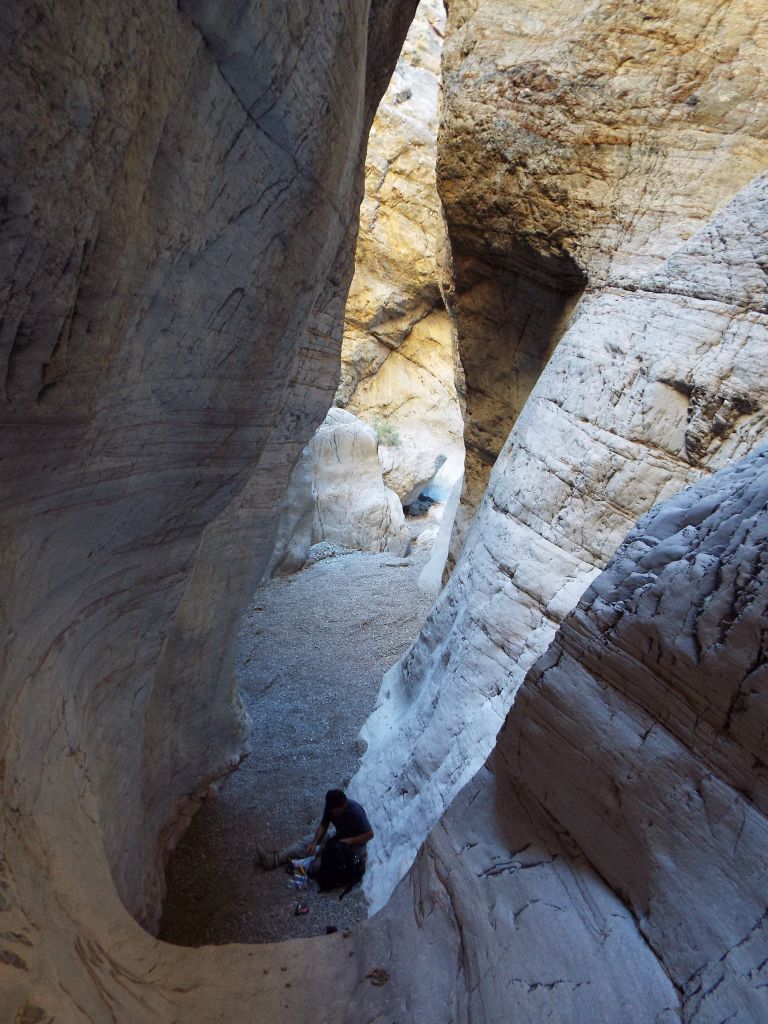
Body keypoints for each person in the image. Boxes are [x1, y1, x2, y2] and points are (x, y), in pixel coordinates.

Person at [254, 788, 373, 876]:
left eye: (337, 811)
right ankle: (275, 859)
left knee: (321, 864)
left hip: (355, 845)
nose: (334, 814)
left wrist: (348, 841)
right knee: (306, 843)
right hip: (339, 834)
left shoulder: (356, 811)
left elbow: (369, 834)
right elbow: (324, 825)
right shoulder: (331, 807)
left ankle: (302, 867)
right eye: (332, 811)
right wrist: (315, 842)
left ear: (343, 805)